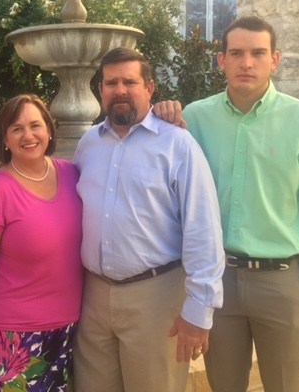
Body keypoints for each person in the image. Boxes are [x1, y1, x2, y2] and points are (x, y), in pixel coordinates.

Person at [159, 15, 299, 391]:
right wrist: (162, 114)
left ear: (275, 59)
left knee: (284, 385)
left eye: (258, 53)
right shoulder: (193, 118)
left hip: (281, 281)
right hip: (219, 281)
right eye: (237, 53)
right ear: (221, 60)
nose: (247, 63)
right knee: (224, 385)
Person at [72, 47, 225, 392]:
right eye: (111, 82)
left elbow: (203, 229)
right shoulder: (88, 144)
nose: (120, 90)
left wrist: (199, 311)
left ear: (150, 88)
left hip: (156, 298)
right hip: (94, 298)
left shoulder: (178, 144)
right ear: (101, 90)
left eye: (130, 81)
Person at [0, 94, 83, 392]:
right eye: (17, 129)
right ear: (5, 138)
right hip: (13, 337)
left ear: (49, 130)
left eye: (35, 125)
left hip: (69, 330)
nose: (28, 136)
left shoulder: (72, 174)